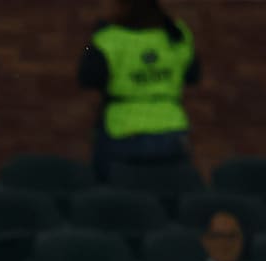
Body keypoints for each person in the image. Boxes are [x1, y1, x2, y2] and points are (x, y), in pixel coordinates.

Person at [78, 0, 200, 182]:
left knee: (115, 188)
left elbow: (86, 77)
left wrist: (93, 38)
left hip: (122, 128)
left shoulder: (109, 38)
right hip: (171, 127)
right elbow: (193, 75)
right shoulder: (177, 34)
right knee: (171, 189)